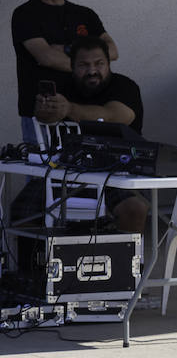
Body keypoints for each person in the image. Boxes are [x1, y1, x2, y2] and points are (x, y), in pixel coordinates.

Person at [32, 35, 147, 232]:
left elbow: (115, 116)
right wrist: (45, 110)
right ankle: (31, 262)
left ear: (108, 63)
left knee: (134, 209)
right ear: (72, 66)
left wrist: (69, 109)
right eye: (84, 65)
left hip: (116, 171)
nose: (92, 71)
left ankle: (128, 262)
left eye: (99, 63)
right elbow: (44, 117)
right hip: (67, 171)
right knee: (22, 210)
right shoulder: (64, 87)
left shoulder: (124, 86)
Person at [12, 0, 119, 143]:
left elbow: (112, 51)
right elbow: (46, 57)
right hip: (42, 114)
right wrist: (90, 62)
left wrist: (67, 50)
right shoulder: (25, 14)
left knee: (86, 171)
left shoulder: (85, 15)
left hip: (82, 111)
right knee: (42, 173)